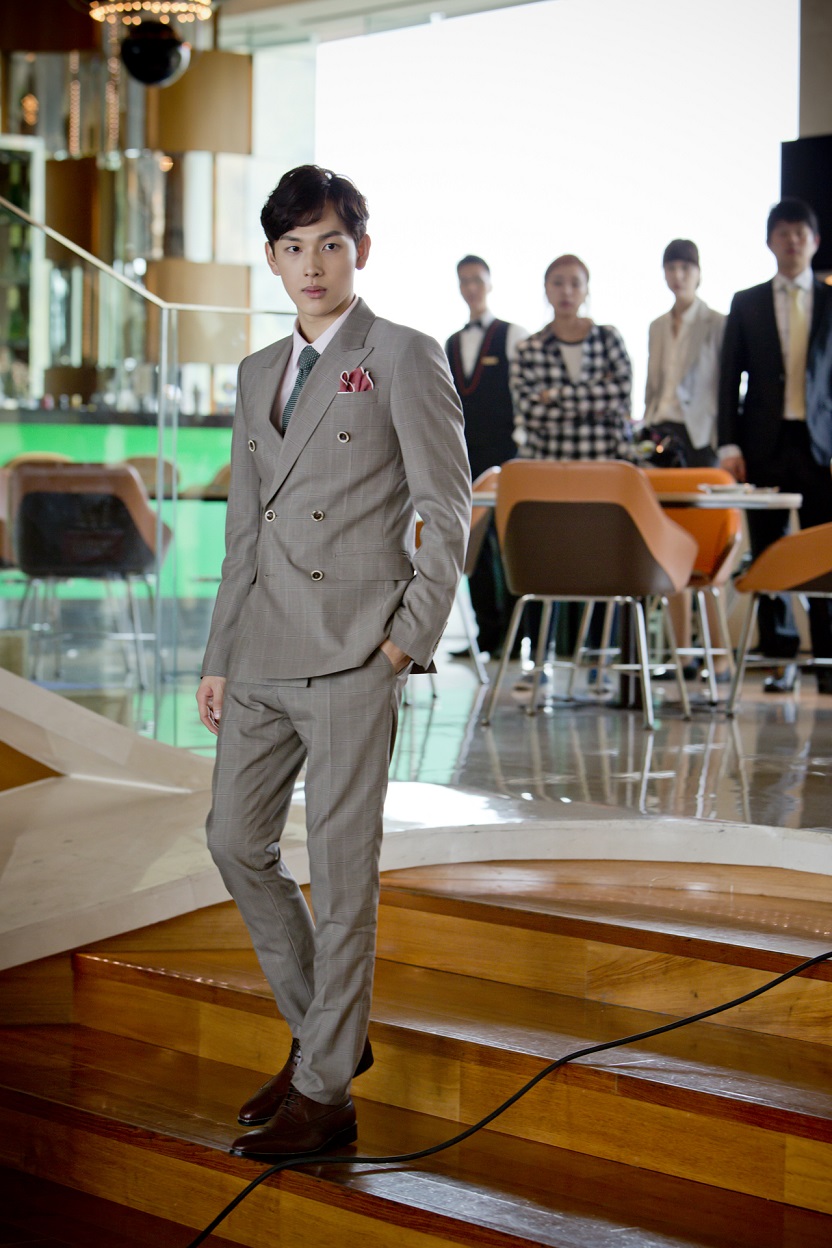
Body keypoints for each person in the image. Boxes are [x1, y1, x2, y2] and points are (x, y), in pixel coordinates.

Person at [196, 165, 471, 1159]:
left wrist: (404, 642)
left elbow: (448, 510)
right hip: (261, 651)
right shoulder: (254, 371)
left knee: (344, 880)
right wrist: (219, 654)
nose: (312, 265)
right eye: (293, 248)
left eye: (330, 244)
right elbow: (244, 530)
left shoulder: (402, 354)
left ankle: (325, 1095)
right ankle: (329, 1040)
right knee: (234, 841)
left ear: (361, 250)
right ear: (273, 259)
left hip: (356, 654)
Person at [718, 197, 832, 695]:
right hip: (762, 444)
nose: (791, 241)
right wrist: (728, 444)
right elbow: (729, 379)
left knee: (824, 551)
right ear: (770, 242)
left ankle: (827, 658)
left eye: (800, 233)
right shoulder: (746, 302)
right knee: (768, 552)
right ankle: (780, 657)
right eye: (783, 233)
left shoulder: (830, 300)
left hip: (821, 446)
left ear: (815, 241)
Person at [510, 255, 632, 691]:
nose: (566, 291)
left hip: (603, 474)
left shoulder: (609, 338)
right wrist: (590, 401)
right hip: (548, 474)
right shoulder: (529, 348)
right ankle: (539, 664)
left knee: (602, 570)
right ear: (546, 289)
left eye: (575, 283)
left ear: (586, 289)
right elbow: (530, 413)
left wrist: (556, 396)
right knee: (547, 566)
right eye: (558, 283)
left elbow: (620, 393)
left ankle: (598, 665)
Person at [645, 239, 727, 680]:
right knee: (669, 548)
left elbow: (724, 386)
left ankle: (719, 656)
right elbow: (653, 384)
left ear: (698, 272)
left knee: (707, 550)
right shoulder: (657, 326)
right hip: (662, 436)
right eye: (671, 267)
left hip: (700, 440)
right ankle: (682, 655)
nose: (677, 275)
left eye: (685, 267)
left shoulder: (717, 323)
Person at [445, 255, 527, 657]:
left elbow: (524, 396)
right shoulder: (451, 343)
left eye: (477, 279)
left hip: (508, 455)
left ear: (490, 283)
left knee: (510, 542)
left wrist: (522, 446)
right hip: (467, 456)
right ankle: (486, 635)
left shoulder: (513, 335)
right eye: (464, 281)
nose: (471, 287)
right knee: (472, 542)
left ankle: (515, 636)